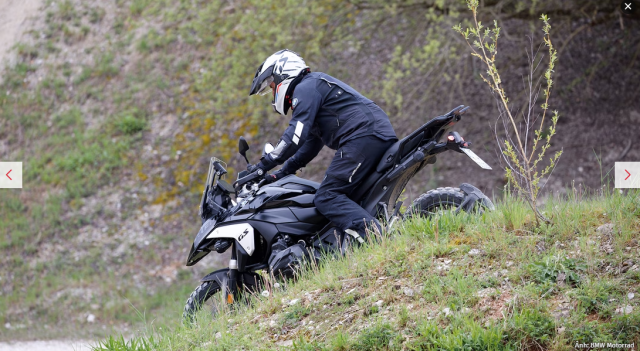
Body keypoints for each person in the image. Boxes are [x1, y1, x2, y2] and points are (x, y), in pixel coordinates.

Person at [247, 49, 398, 242]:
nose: (273, 91)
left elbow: (294, 136)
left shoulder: (305, 88)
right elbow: (309, 145)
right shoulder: (313, 87)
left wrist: (262, 166)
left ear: (282, 73)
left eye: (272, 84)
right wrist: (281, 173)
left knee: (327, 197)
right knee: (347, 195)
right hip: (371, 134)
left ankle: (380, 240)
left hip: (363, 135)